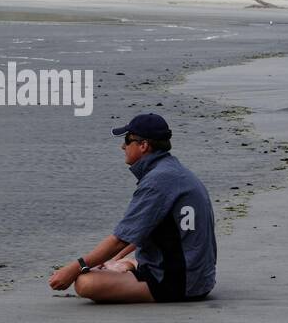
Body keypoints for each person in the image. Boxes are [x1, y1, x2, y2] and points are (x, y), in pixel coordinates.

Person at [48, 113, 216, 303]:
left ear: (143, 145)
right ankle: (128, 264)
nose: (122, 147)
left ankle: (129, 266)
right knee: (107, 266)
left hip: (180, 284)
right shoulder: (172, 171)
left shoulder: (158, 181)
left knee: (85, 283)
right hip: (198, 276)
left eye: (127, 141)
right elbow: (143, 229)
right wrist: (113, 261)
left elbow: (119, 240)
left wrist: (75, 267)